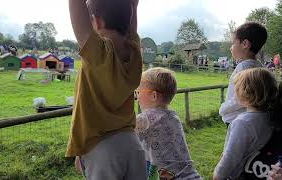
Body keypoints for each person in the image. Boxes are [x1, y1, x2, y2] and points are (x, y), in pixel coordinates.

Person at [66, 0, 146, 179]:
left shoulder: (98, 53)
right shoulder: (134, 51)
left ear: (96, 21)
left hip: (102, 149)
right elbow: (132, 14)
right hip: (133, 145)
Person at [135, 67, 201, 180]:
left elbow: (123, 134)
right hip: (190, 176)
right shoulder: (174, 117)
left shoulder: (144, 119)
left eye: (139, 92)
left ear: (154, 95)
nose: (137, 96)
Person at [213, 68, 279, 180]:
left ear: (246, 93)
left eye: (237, 89)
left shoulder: (243, 123)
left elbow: (231, 157)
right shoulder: (270, 117)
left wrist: (218, 175)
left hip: (239, 175)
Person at [219, 22, 267, 125]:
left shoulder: (244, 67)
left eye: (233, 43)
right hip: (248, 119)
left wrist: (223, 109)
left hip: (236, 119)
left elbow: (240, 98)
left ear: (245, 44)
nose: (231, 47)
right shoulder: (259, 66)